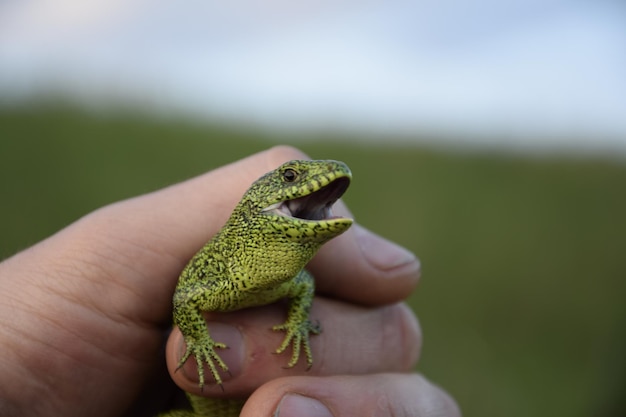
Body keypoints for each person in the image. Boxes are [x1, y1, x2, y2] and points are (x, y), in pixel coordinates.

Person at [0, 146, 460, 417]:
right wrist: (197, 341)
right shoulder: (230, 262)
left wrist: (299, 325)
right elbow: (186, 298)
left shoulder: (294, 280)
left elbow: (303, 288)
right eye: (292, 176)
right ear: (258, 198)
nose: (309, 182)